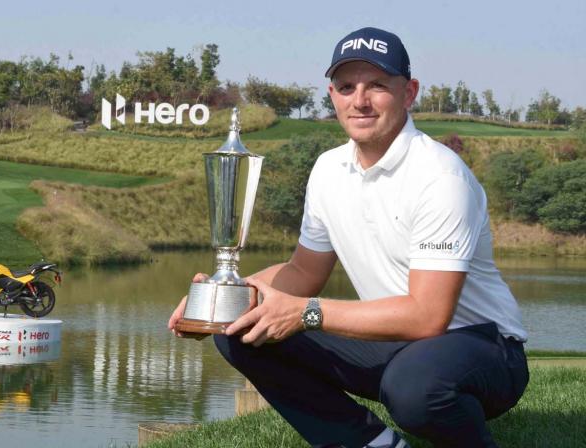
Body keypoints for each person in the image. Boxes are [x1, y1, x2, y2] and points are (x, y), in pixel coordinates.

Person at [168, 27, 528, 448]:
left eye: (376, 85)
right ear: (332, 94)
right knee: (241, 329)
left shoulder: (440, 177)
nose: (359, 100)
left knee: (415, 389)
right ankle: (372, 444)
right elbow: (304, 270)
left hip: (481, 346)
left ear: (409, 92)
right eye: (346, 86)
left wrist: (307, 313)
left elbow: (428, 315)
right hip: (396, 342)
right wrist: (222, 298)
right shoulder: (328, 169)